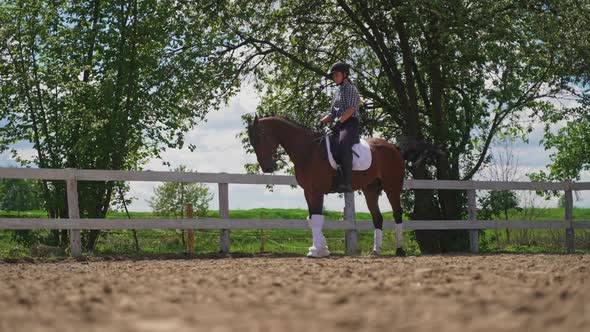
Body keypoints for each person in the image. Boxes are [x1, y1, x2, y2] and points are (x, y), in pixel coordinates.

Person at [320, 62, 361, 192]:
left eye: (336, 75)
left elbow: (350, 109)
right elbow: (332, 114)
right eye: (333, 76)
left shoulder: (350, 89)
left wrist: (338, 123)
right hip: (340, 123)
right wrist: (321, 122)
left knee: (343, 143)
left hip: (351, 123)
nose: (334, 78)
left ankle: (347, 182)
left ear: (345, 75)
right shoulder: (337, 92)